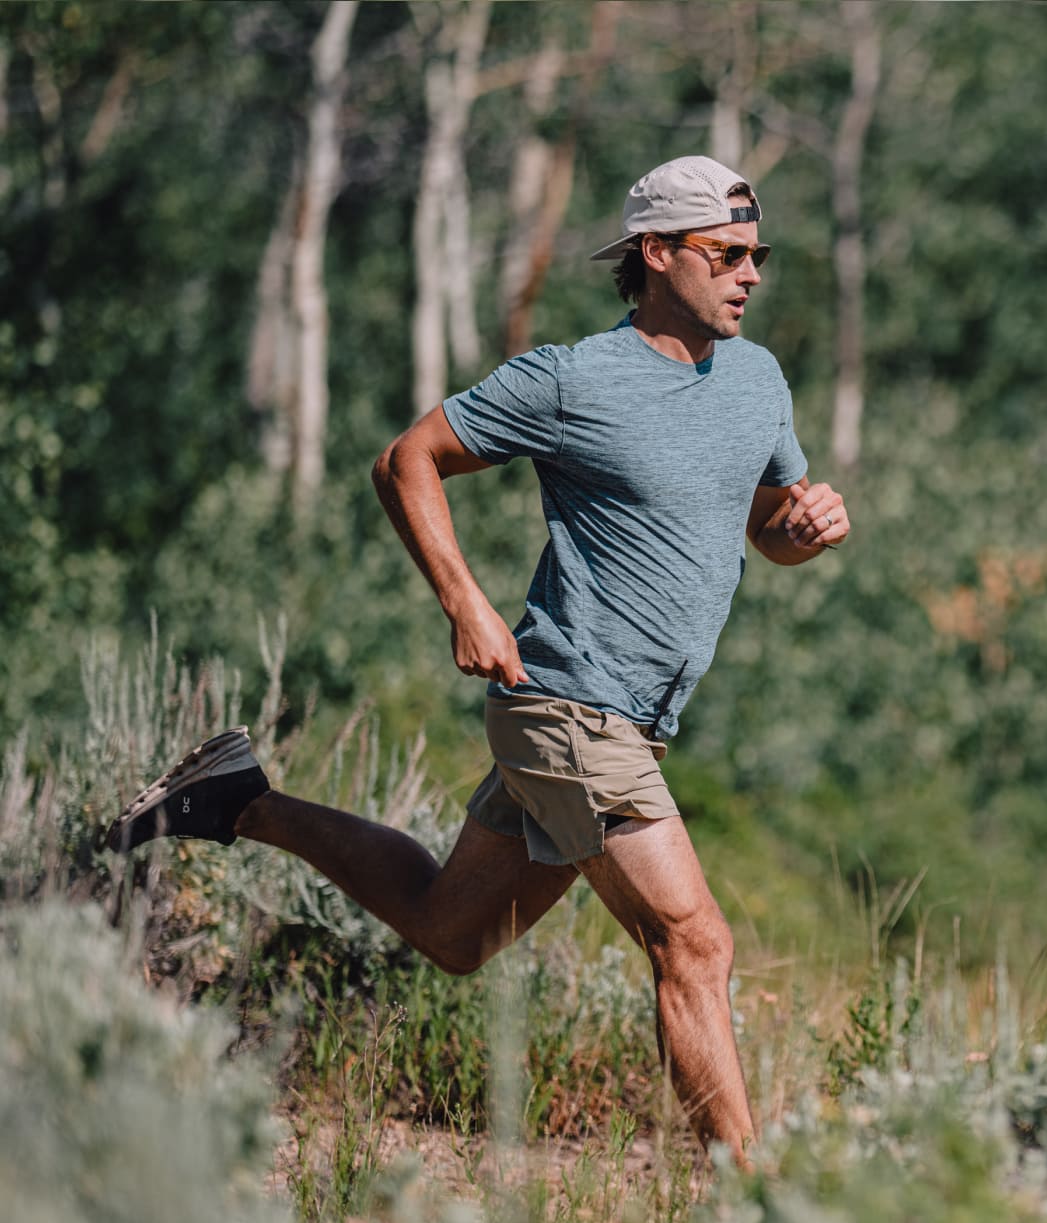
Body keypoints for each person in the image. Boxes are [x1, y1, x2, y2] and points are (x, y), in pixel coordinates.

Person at [108, 155, 848, 1167]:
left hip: (633, 721)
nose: (748, 274)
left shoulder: (757, 378)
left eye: (755, 255)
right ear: (658, 254)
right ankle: (751, 1200)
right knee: (696, 945)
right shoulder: (572, 377)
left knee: (451, 932)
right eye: (726, 254)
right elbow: (405, 459)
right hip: (567, 705)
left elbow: (766, 526)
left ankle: (239, 800)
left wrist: (805, 529)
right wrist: (467, 602)